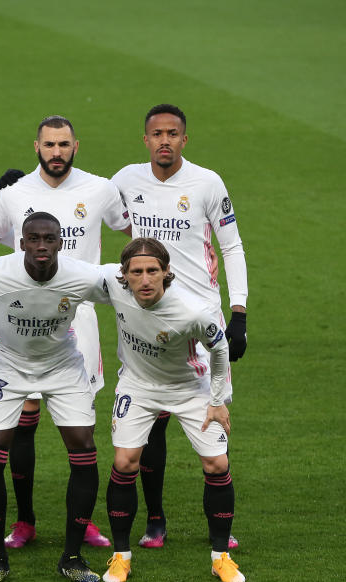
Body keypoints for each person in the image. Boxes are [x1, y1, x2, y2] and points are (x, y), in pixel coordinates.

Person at [0, 115, 130, 549]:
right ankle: (24, 522)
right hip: (21, 321)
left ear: (76, 145)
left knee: (79, 426)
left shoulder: (101, 189)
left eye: (63, 144)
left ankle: (84, 522)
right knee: (23, 422)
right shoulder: (13, 195)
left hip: (78, 323)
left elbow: (132, 231)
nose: (56, 152)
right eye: (49, 144)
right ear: (36, 146)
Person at [0, 212, 109, 582]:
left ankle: (72, 557)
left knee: (83, 447)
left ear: (61, 242)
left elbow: (135, 291)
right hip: (7, 367)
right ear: (21, 242)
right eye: (33, 238)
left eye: (49, 239)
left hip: (63, 365)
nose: (41, 246)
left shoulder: (82, 275)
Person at [111, 104, 248, 548]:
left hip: (200, 321)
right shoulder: (127, 180)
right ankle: (155, 518)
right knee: (151, 425)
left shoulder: (207, 183)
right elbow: (92, 209)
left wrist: (239, 312)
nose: (164, 140)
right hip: (148, 314)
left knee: (213, 421)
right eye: (156, 133)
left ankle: (220, 530)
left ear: (184, 139)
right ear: (145, 139)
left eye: (173, 133)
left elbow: (231, 245)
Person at [99, 238, 243, 582]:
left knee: (217, 463)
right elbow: (68, 273)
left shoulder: (192, 312)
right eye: (137, 272)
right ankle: (120, 557)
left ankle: (221, 557)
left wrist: (217, 398)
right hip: (137, 385)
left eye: (153, 271)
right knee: (124, 462)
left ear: (167, 273)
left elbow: (220, 348)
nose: (145, 279)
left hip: (189, 389)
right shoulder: (111, 285)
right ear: (124, 275)